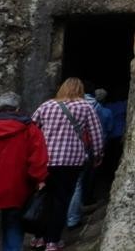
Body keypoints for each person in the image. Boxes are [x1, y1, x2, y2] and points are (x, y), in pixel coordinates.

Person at [31, 79, 103, 251]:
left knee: (44, 199)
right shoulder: (86, 107)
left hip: (46, 160)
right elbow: (96, 133)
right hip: (71, 162)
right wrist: (98, 154)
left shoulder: (47, 106)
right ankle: (52, 241)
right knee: (61, 201)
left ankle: (39, 238)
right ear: (80, 90)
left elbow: (32, 128)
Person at [0, 91, 48, 251]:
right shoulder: (30, 129)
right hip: (17, 187)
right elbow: (38, 159)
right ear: (18, 108)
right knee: (13, 225)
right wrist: (39, 179)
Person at [66, 87, 112, 228]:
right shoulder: (103, 111)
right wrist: (99, 152)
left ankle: (66, 215)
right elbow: (103, 131)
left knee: (64, 185)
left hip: (63, 150)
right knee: (80, 182)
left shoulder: (62, 106)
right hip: (86, 150)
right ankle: (75, 214)